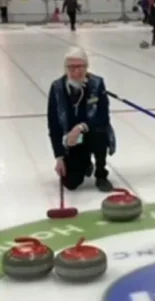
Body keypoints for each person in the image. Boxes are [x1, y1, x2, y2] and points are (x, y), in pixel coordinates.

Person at [47, 47, 116, 192]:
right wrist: (59, 157)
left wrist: (80, 128)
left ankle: (101, 174)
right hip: (71, 141)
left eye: (80, 66)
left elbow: (103, 117)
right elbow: (53, 125)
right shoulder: (57, 88)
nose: (76, 71)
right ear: (65, 68)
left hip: (91, 133)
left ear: (87, 67)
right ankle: (85, 163)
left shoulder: (97, 84)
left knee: (99, 132)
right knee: (70, 183)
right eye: (71, 67)